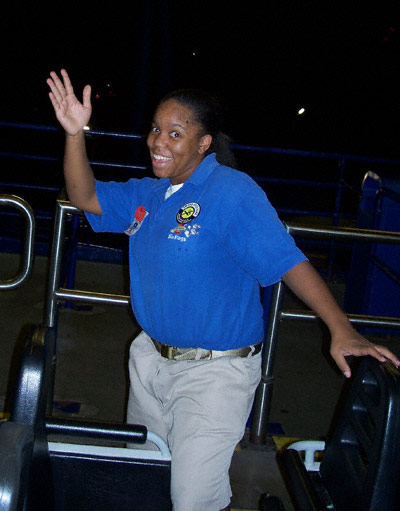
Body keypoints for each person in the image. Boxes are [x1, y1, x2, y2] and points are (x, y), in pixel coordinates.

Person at [47, 69, 400, 511]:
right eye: (156, 129)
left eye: (176, 133)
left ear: (204, 143)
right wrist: (75, 133)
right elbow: (84, 196)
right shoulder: (151, 194)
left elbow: (287, 261)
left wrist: (341, 330)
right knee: (146, 476)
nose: (159, 142)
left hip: (214, 377)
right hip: (149, 363)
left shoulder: (231, 194)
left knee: (193, 498)